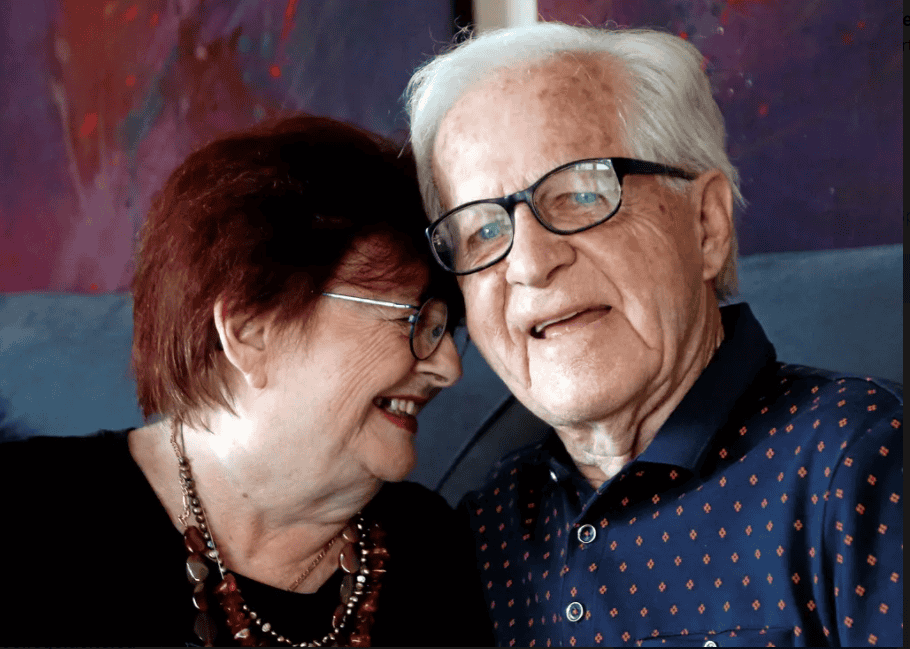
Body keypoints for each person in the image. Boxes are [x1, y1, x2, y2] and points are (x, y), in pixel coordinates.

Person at [405, 22, 903, 647]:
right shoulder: (485, 530)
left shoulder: (862, 463)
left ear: (706, 225)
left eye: (582, 194)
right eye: (481, 232)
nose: (530, 264)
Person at [0, 115, 494, 647]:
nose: (449, 367)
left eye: (446, 328)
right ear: (249, 331)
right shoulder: (27, 513)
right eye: (414, 321)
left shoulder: (432, 550)